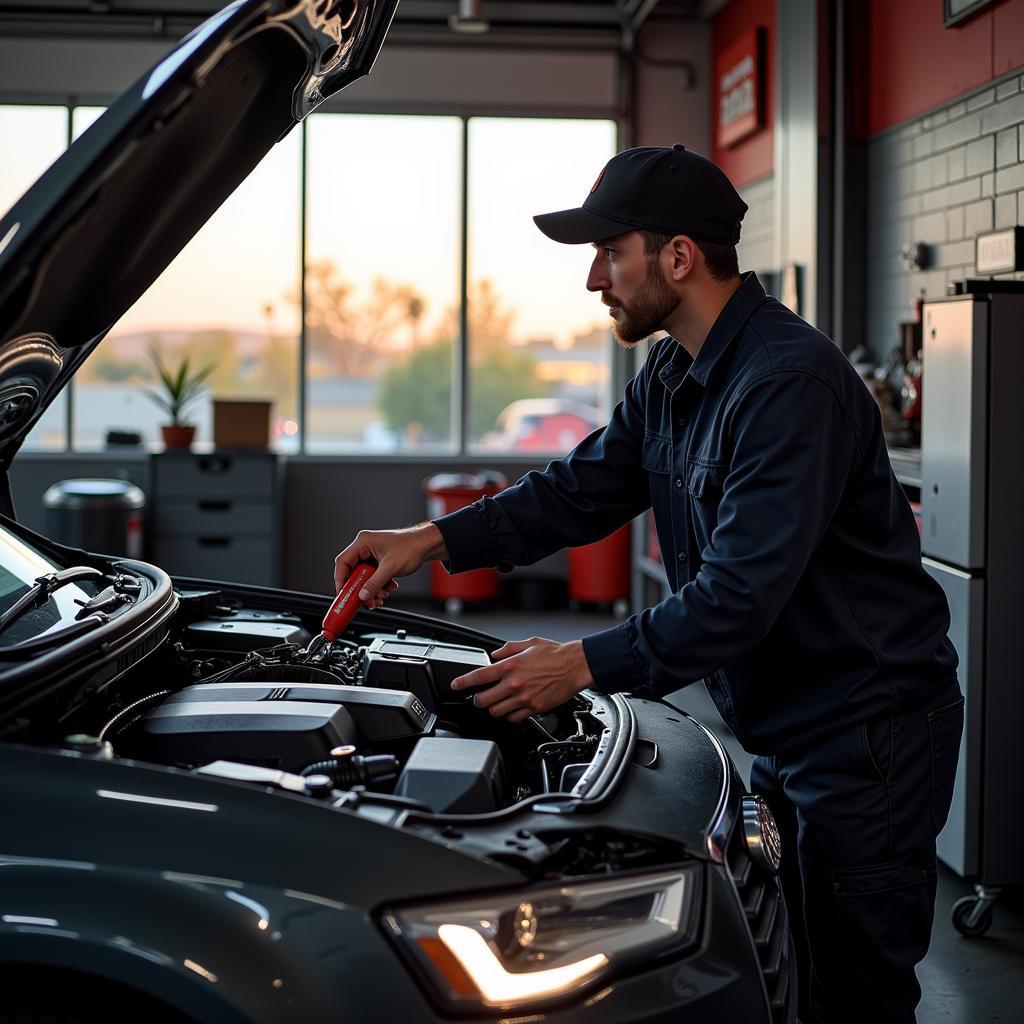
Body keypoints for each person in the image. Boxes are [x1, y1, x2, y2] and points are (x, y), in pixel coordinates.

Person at [333, 144, 963, 1024]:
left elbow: (737, 597)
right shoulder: (671, 375)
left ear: (678, 257)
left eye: (610, 252)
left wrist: (579, 666)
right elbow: (577, 490)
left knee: (856, 995)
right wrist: (430, 538)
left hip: (868, 736)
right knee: (795, 976)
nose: (595, 279)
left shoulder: (788, 384)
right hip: (790, 725)